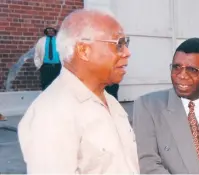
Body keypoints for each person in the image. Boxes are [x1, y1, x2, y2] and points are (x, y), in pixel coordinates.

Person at [18, 9, 139, 174]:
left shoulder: (109, 101)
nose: (127, 52)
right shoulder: (52, 114)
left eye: (127, 43)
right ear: (84, 50)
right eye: (119, 43)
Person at [133, 38, 199, 174]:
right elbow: (148, 165)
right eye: (176, 67)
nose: (182, 75)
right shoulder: (147, 107)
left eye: (192, 70)